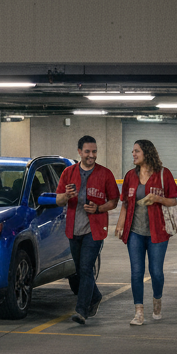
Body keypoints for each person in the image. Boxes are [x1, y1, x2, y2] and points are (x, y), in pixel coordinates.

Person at [115, 139, 177, 325]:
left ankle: (157, 300)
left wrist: (158, 198)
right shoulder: (130, 176)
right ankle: (138, 312)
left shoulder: (163, 174)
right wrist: (120, 225)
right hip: (134, 231)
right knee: (136, 272)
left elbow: (173, 201)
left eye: (137, 151)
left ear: (147, 153)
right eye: (133, 151)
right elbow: (125, 204)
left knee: (156, 271)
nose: (133, 154)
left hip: (157, 232)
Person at [56, 135, 119, 324]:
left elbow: (114, 201)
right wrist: (67, 196)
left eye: (94, 151)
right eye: (87, 152)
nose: (92, 155)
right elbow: (58, 200)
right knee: (81, 270)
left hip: (95, 230)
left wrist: (99, 208)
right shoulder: (68, 172)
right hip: (73, 230)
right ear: (79, 152)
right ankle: (96, 296)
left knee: (85, 268)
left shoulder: (105, 174)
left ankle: (81, 311)